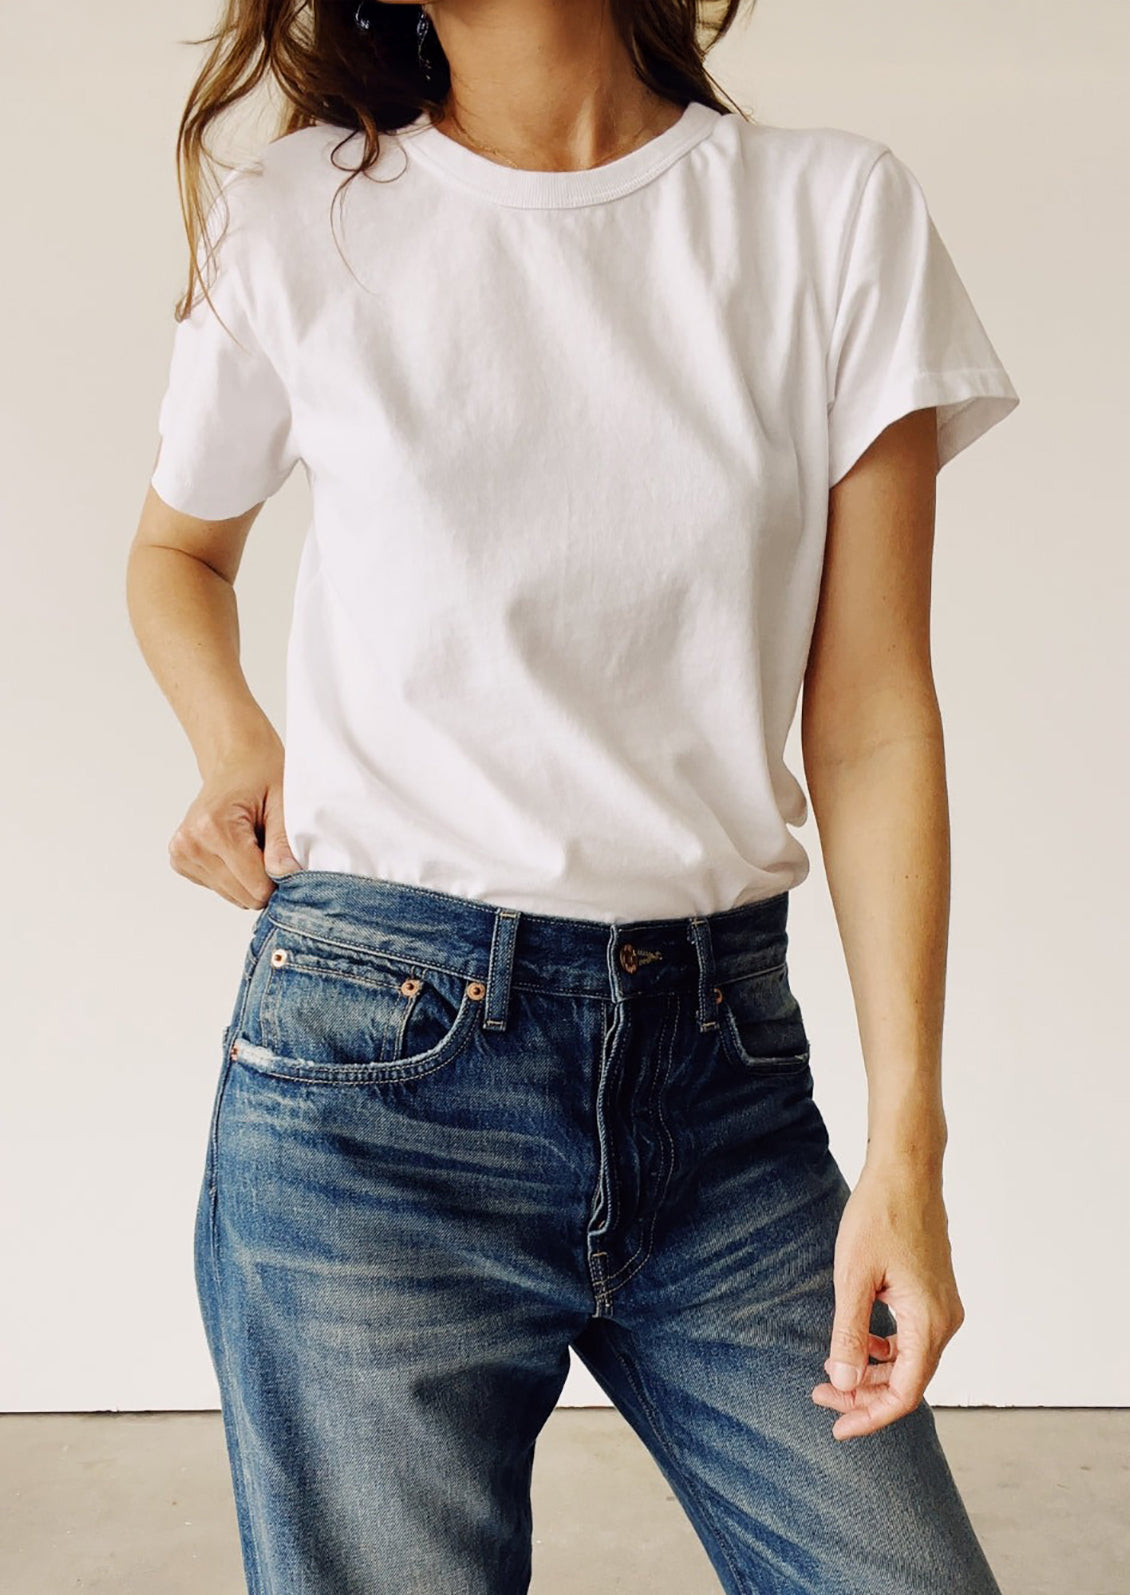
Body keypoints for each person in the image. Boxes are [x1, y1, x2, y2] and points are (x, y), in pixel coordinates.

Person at [126, 1, 1020, 1590]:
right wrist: (232, 740)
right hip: (371, 1085)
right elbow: (176, 551)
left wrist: (905, 1147)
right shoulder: (303, 215)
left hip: (723, 1081)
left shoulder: (825, 210)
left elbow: (873, 716)